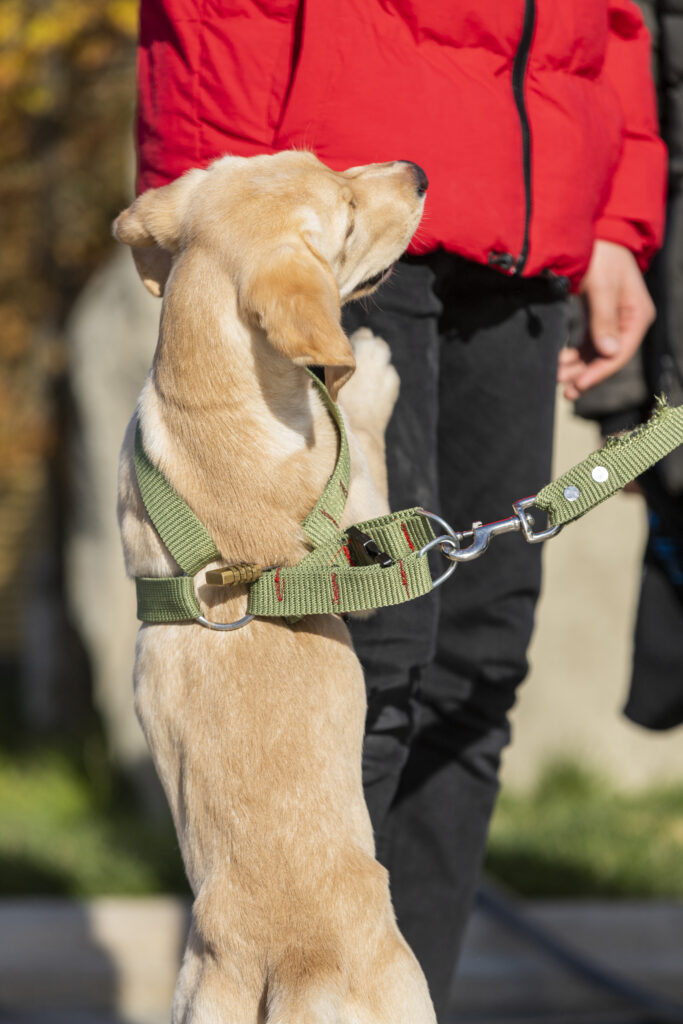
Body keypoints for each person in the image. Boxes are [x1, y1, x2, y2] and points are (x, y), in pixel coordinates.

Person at [134, 2, 666, 1016]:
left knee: (477, 656)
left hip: (531, 211)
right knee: (369, 635)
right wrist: (209, 212)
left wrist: (608, 214)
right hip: (335, 206)